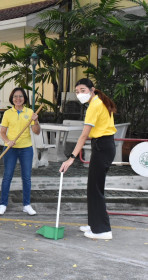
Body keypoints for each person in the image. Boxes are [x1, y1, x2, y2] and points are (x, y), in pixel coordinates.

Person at [60, 78, 117, 240]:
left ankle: (102, 230)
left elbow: (84, 135)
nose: (80, 95)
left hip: (102, 147)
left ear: (92, 90)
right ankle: (94, 224)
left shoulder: (95, 105)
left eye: (83, 90)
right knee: (94, 187)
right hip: (104, 146)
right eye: (77, 92)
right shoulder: (99, 102)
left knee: (95, 189)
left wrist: (71, 158)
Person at [0, 87, 40, 216]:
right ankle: (3, 204)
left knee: (26, 178)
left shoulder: (30, 112)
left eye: (20, 96)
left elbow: (36, 131)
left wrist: (36, 120)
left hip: (26, 149)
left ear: (24, 98)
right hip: (10, 149)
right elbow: (3, 132)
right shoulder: (8, 113)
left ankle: (27, 205)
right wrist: (8, 141)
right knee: (7, 176)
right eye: (15, 96)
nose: (18, 99)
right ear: (12, 98)